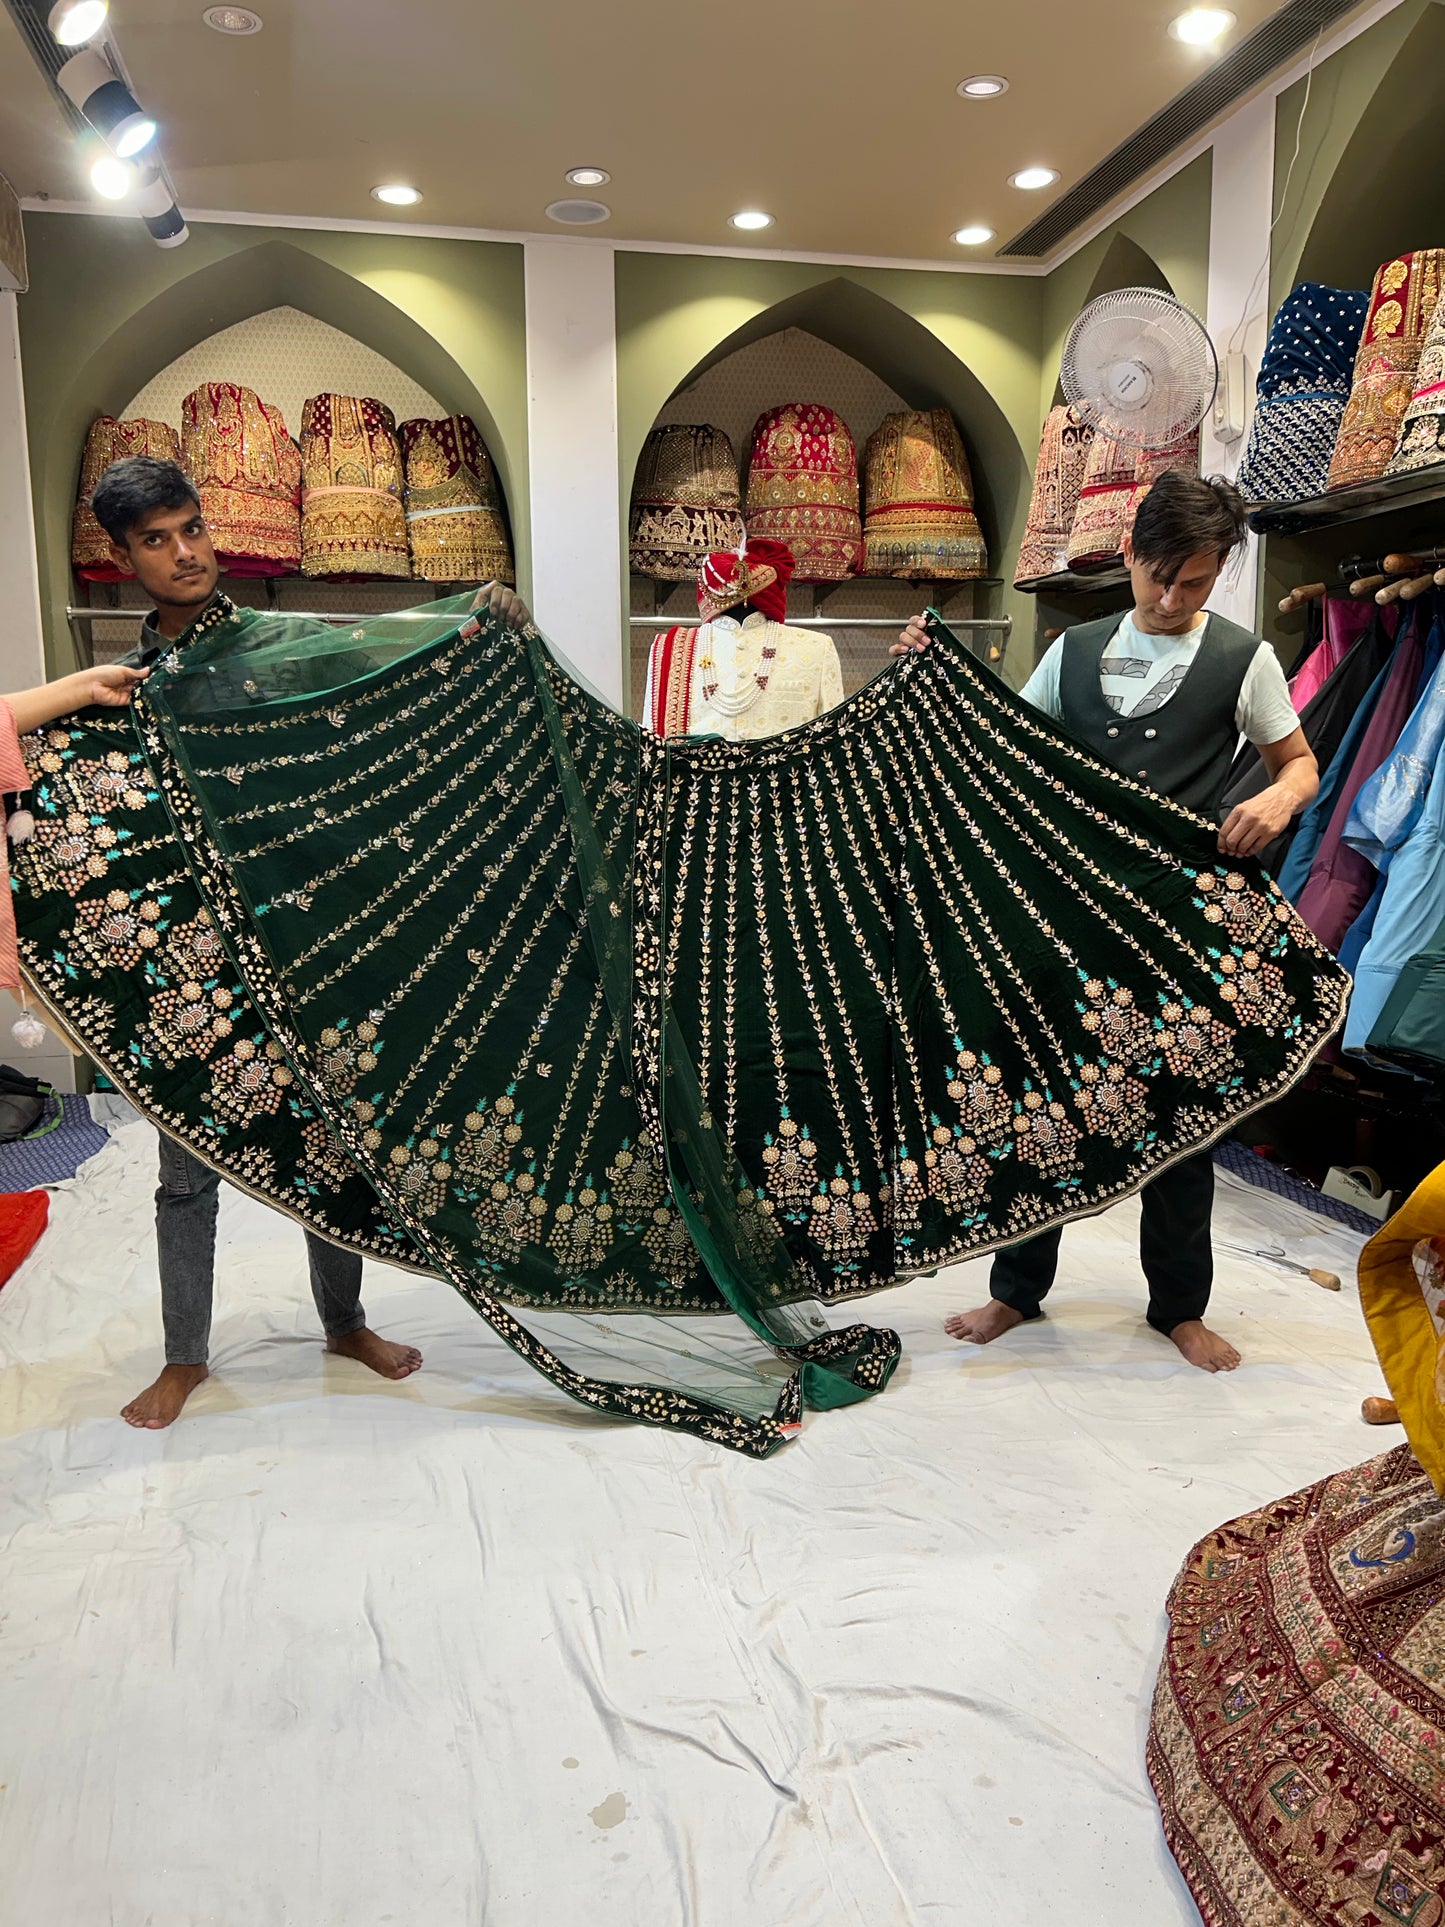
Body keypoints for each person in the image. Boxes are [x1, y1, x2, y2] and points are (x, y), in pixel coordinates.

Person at [86, 453, 532, 1427]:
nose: (184, 553)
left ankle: (344, 1322)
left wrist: (469, 622)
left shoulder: (278, 641)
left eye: (190, 527)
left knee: (334, 1145)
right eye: (155, 541)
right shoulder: (123, 689)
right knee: (184, 1171)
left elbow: (386, 653)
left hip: (302, 940)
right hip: (191, 961)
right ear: (121, 556)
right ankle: (184, 1356)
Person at [894, 471, 1319, 1373]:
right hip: (1063, 923)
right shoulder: (1071, 649)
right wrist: (929, 678)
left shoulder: (1242, 659)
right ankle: (1016, 1291)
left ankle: (1178, 1307)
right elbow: (1003, 752)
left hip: (1174, 928)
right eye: (1157, 574)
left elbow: (1299, 763)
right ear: (1127, 552)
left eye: (1195, 583)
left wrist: (1279, 801)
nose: (1170, 599)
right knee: (1040, 1098)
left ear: (1217, 574)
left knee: (1181, 1110)